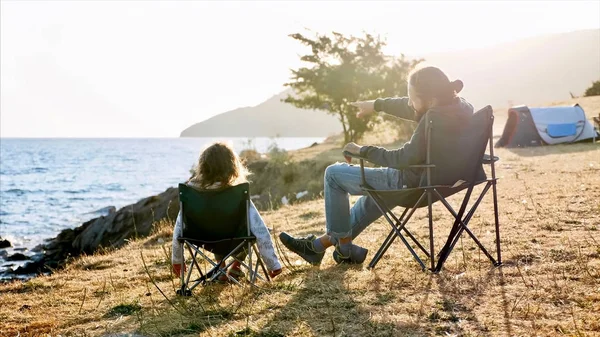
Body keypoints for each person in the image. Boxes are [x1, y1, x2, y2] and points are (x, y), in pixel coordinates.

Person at [279, 66, 472, 265]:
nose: (409, 103)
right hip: (437, 182)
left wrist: (362, 151)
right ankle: (317, 248)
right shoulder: (458, 108)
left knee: (333, 175)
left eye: (412, 98)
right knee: (371, 197)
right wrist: (376, 105)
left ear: (430, 100)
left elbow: (403, 158)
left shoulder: (433, 119)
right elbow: (409, 107)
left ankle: (342, 250)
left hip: (409, 184)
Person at [171, 142, 282, 281]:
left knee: (217, 228)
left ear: (203, 167)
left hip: (203, 238)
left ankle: (221, 268)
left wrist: (177, 260)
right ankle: (235, 265)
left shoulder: (192, 193)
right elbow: (260, 229)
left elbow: (178, 228)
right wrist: (273, 265)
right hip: (234, 238)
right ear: (232, 166)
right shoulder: (238, 194)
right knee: (248, 230)